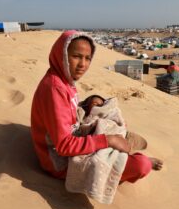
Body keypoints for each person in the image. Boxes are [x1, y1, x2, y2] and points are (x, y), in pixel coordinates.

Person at [30, 30, 162, 184]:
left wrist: (92, 103)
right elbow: (64, 146)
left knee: (100, 105)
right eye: (76, 56)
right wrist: (108, 140)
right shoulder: (55, 88)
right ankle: (128, 149)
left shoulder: (63, 80)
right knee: (141, 166)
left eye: (87, 58)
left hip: (74, 136)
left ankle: (122, 139)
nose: (82, 65)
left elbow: (66, 114)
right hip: (60, 162)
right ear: (62, 55)